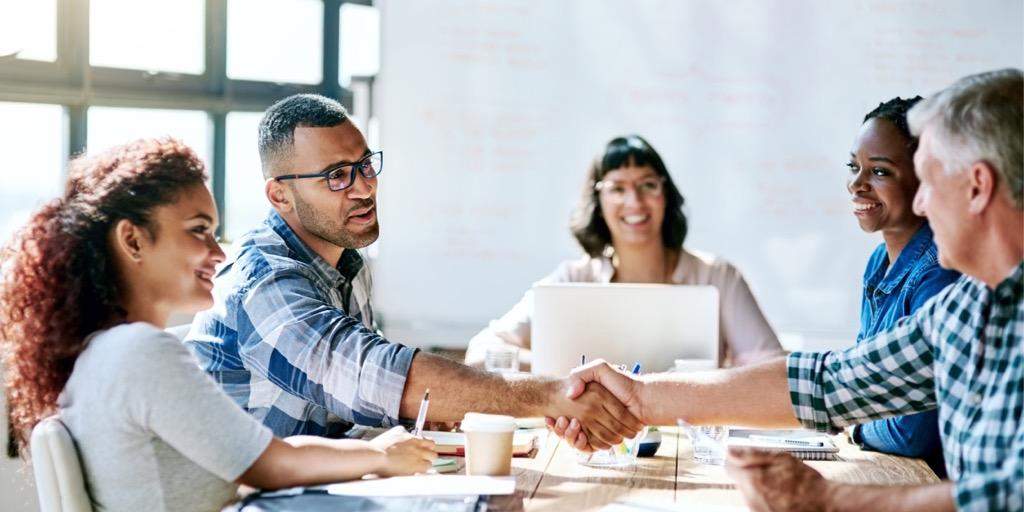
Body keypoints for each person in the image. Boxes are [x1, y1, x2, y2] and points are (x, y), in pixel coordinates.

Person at [551, 69, 1023, 511]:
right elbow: (832, 383)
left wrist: (828, 499)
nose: (921, 201)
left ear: (977, 187)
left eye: (930, 181)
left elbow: (1006, 495)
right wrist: (641, 396)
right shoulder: (973, 306)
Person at [0, 139, 438, 511]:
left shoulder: (105, 352)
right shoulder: (141, 352)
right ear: (133, 239)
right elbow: (272, 463)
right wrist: (379, 456)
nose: (218, 252)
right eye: (198, 230)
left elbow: (260, 455)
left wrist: (377, 453)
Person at [185, 94, 642, 450]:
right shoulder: (262, 281)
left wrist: (430, 411)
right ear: (280, 196)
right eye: (337, 176)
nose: (364, 187)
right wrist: (551, 393)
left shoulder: (346, 261)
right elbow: (370, 373)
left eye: (365, 165)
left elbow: (349, 405)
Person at [465, 135, 783, 370]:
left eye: (647, 185)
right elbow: (480, 353)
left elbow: (772, 371)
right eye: (617, 188)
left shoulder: (717, 276)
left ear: (665, 195)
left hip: (691, 438)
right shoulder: (573, 279)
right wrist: (560, 368)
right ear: (598, 204)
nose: (634, 202)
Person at [845, 96, 960, 476]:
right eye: (854, 167)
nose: (857, 185)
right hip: (892, 472)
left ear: (925, 178)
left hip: (931, 484)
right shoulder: (879, 262)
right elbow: (863, 382)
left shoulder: (940, 273)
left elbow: (911, 432)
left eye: (879, 172)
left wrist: (857, 426)